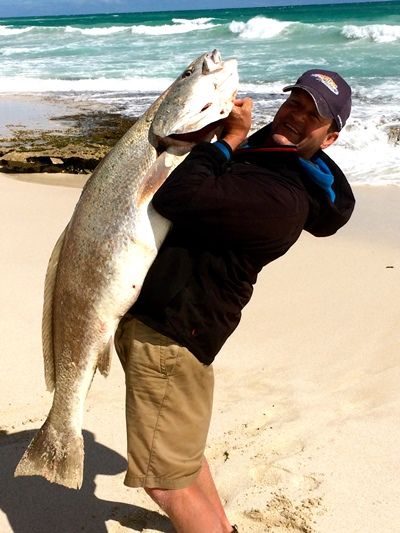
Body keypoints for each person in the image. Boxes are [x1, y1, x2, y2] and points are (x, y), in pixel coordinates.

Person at [114, 69, 355, 533]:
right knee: (181, 454)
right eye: (294, 104)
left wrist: (226, 142)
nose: (296, 117)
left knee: (164, 480)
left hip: (173, 332)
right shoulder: (269, 160)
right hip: (177, 326)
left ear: (330, 137)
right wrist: (218, 127)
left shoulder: (283, 198)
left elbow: (179, 197)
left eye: (314, 116)